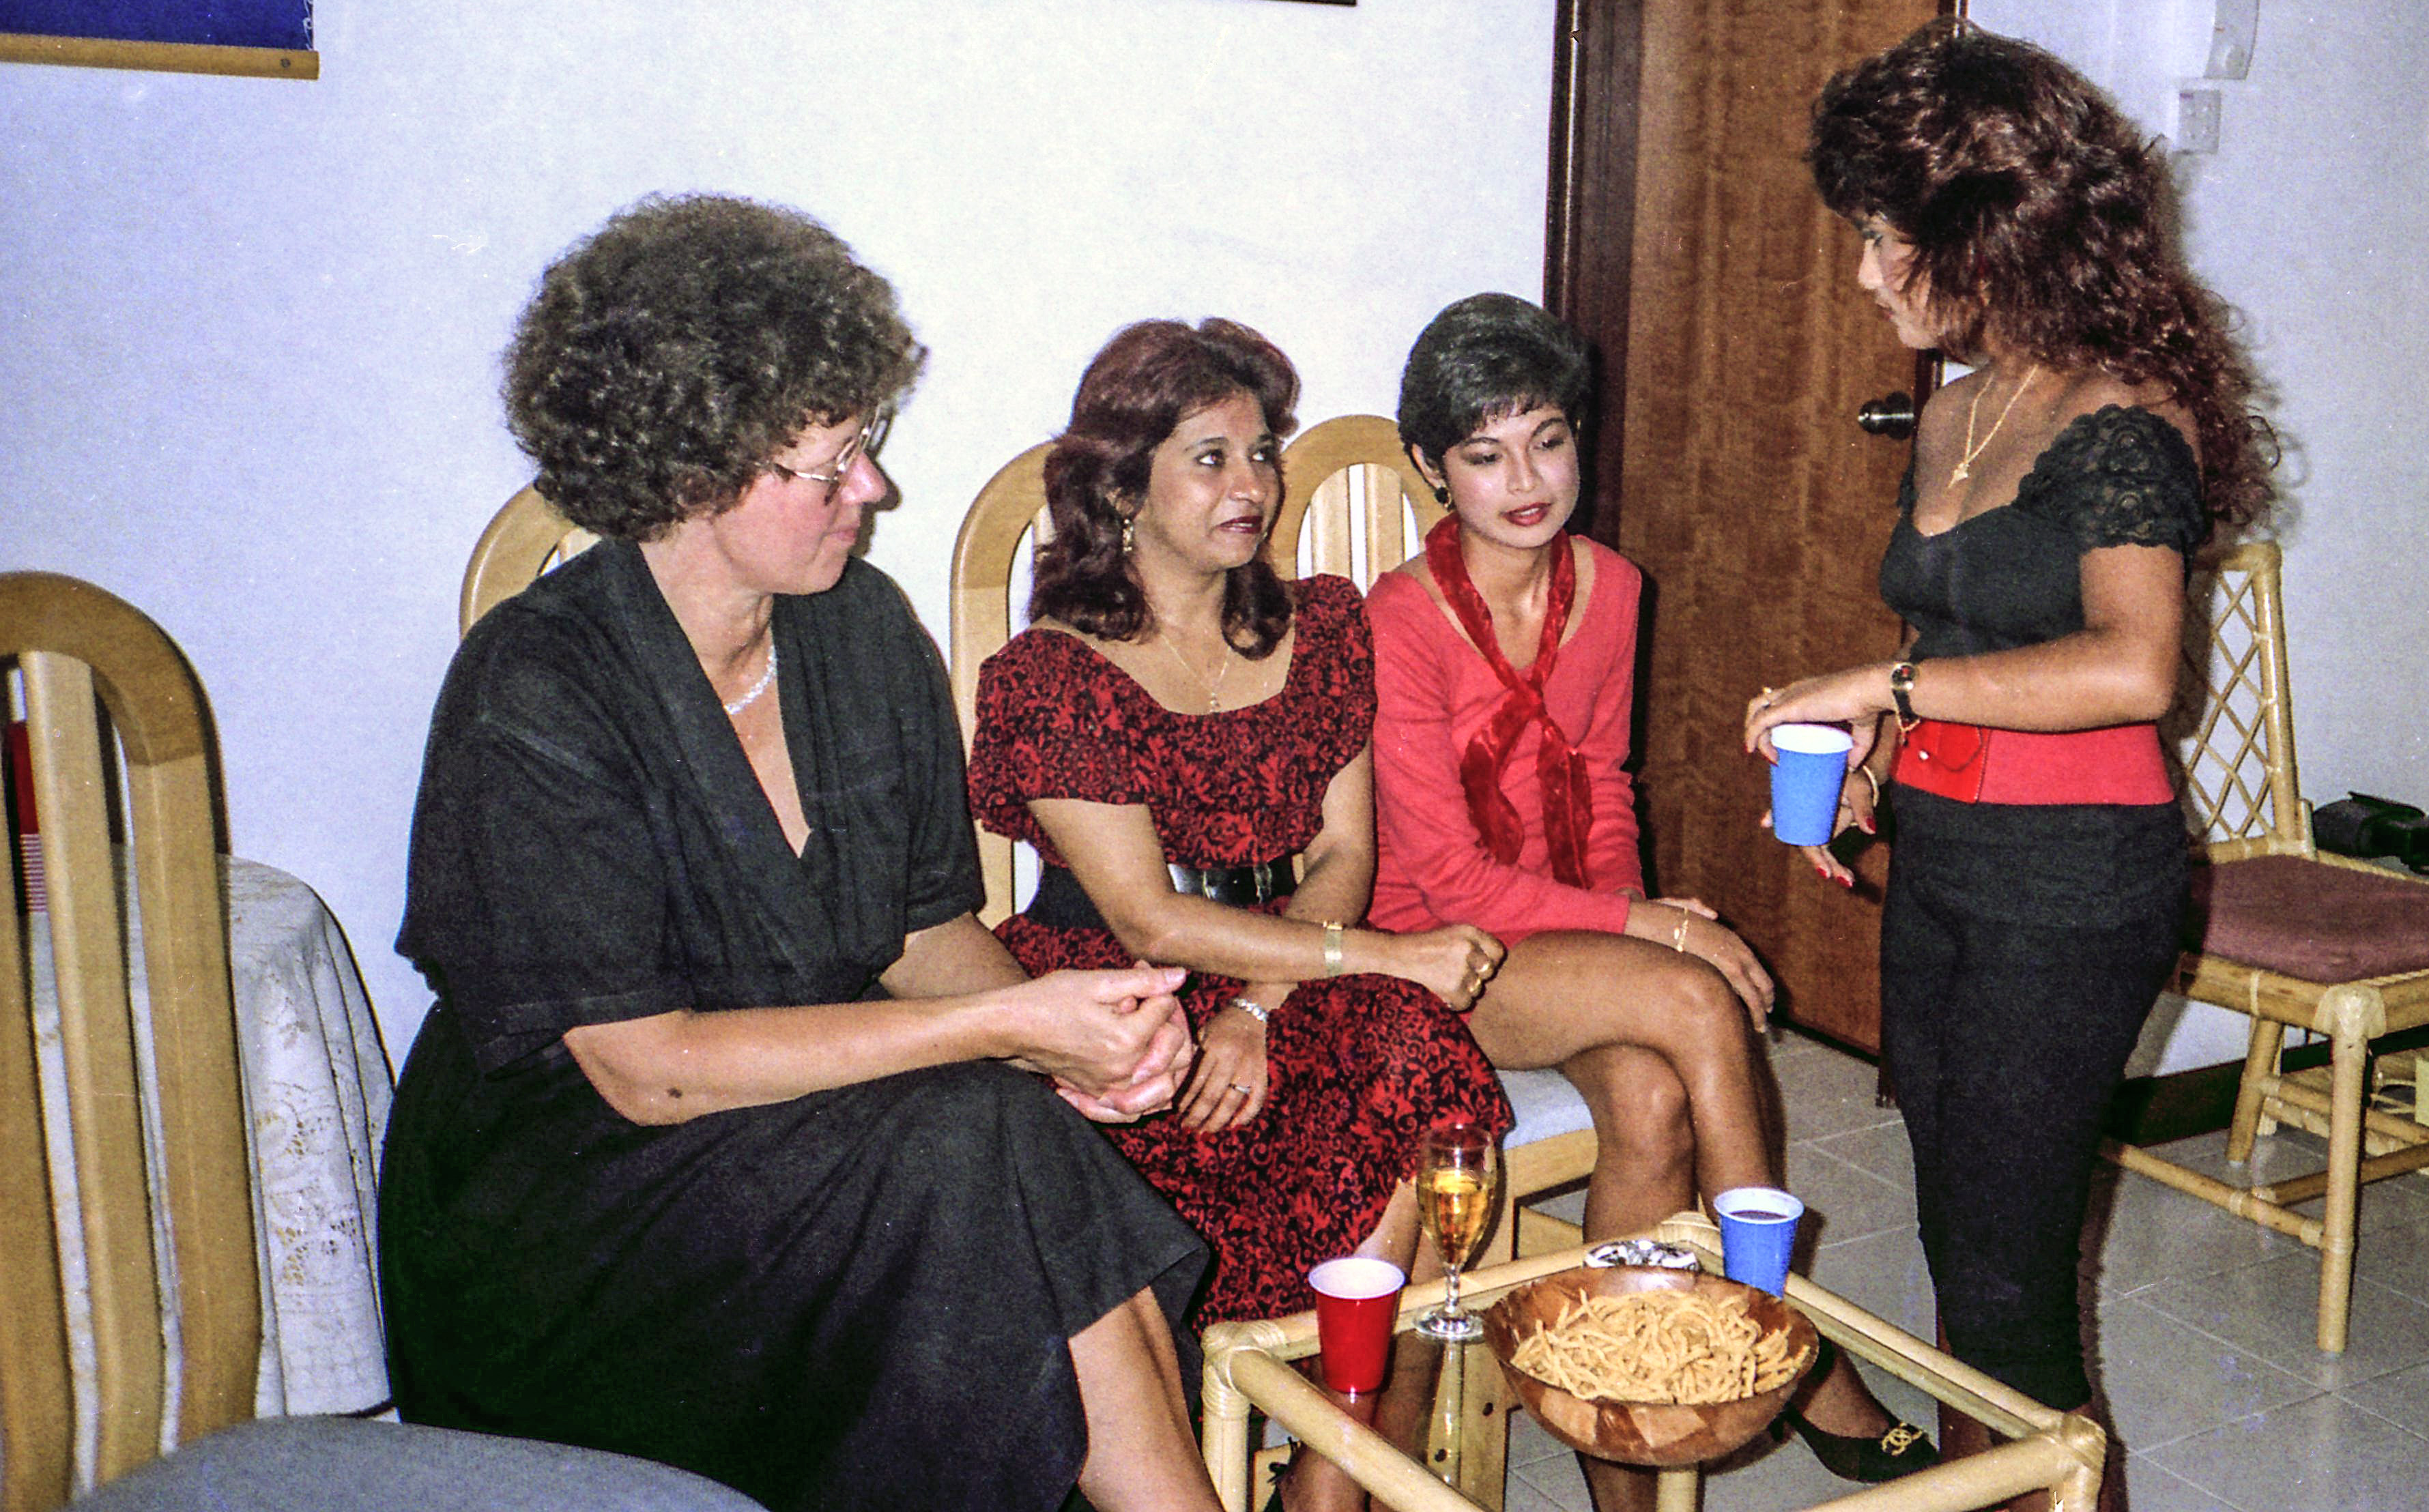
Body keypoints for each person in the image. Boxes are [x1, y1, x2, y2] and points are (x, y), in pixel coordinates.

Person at [382, 196, 1219, 1512]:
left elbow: (921, 936)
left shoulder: (862, 630)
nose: (871, 491)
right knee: (971, 1143)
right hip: (573, 1220)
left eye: (863, 448)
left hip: (794, 1148)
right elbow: (646, 1071)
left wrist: (1067, 1039)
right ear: (689, 476)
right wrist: (1001, 1034)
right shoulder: (537, 687)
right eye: (827, 469)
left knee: (993, 1140)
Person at [1740, 22, 2272, 1500]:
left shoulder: (2123, 420)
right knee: (1957, 1241)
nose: (1864, 274)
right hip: (1945, 860)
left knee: (2009, 1283)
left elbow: (2132, 667)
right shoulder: (1954, 406)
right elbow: (1956, 636)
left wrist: (1880, 681)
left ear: (1991, 234)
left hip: (2073, 886)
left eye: (1883, 238)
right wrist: (1873, 750)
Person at [1362, 294, 1936, 1509]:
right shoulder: (1400, 621)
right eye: (1485, 454)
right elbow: (1448, 879)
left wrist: (1624, 919)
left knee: (1655, 1094)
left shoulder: (1613, 586)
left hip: (1559, 940)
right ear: (1430, 466)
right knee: (1696, 996)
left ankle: (1625, 1454)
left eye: (1548, 439)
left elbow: (1603, 782)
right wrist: (1654, 933)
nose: (1527, 480)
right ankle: (1788, 1343)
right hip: (1436, 956)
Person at [966, 318, 1514, 1512]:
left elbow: (1344, 851)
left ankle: (1329, 1479)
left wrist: (1264, 1007)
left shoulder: (1320, 628)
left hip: (1284, 972)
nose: (1252, 485)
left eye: (1261, 453)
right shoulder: (1052, 676)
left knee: (1416, 1054)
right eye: (1210, 458)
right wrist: (1378, 957)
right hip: (1122, 997)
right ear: (1124, 488)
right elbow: (1150, 921)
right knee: (1368, 1038)